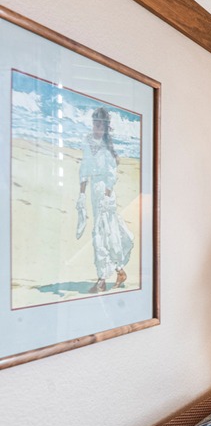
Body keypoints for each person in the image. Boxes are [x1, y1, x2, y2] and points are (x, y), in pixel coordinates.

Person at [75, 107, 134, 293]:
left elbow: (111, 175)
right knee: (105, 232)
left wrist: (107, 198)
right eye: (95, 123)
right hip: (94, 190)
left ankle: (102, 279)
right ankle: (119, 271)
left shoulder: (107, 147)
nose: (96, 128)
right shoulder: (87, 141)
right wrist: (82, 193)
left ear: (105, 127)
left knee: (103, 233)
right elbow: (84, 169)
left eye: (100, 125)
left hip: (105, 194)